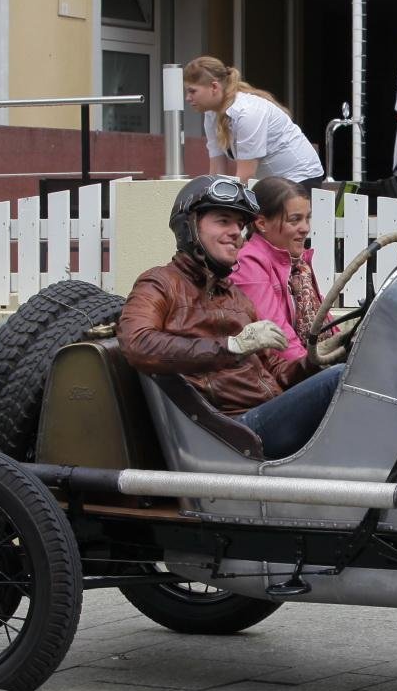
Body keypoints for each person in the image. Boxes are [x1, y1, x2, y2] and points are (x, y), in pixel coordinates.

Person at [118, 175, 344, 460]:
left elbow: (278, 371)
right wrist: (230, 347)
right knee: (340, 379)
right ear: (189, 227)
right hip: (232, 430)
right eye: (223, 221)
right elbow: (137, 343)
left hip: (266, 413)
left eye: (239, 224)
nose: (236, 232)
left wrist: (319, 358)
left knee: (350, 373)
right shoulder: (160, 283)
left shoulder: (234, 296)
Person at [182, 56, 325, 187]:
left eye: (192, 91)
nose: (187, 98)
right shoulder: (211, 114)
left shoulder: (247, 113)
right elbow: (217, 172)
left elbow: (245, 176)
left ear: (214, 87)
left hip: (301, 178)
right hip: (273, 184)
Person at [232, 176, 328, 366]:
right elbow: (278, 337)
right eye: (295, 220)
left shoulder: (299, 265)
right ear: (261, 223)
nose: (305, 228)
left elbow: (325, 323)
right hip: (279, 374)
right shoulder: (248, 262)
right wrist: (317, 368)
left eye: (307, 218)